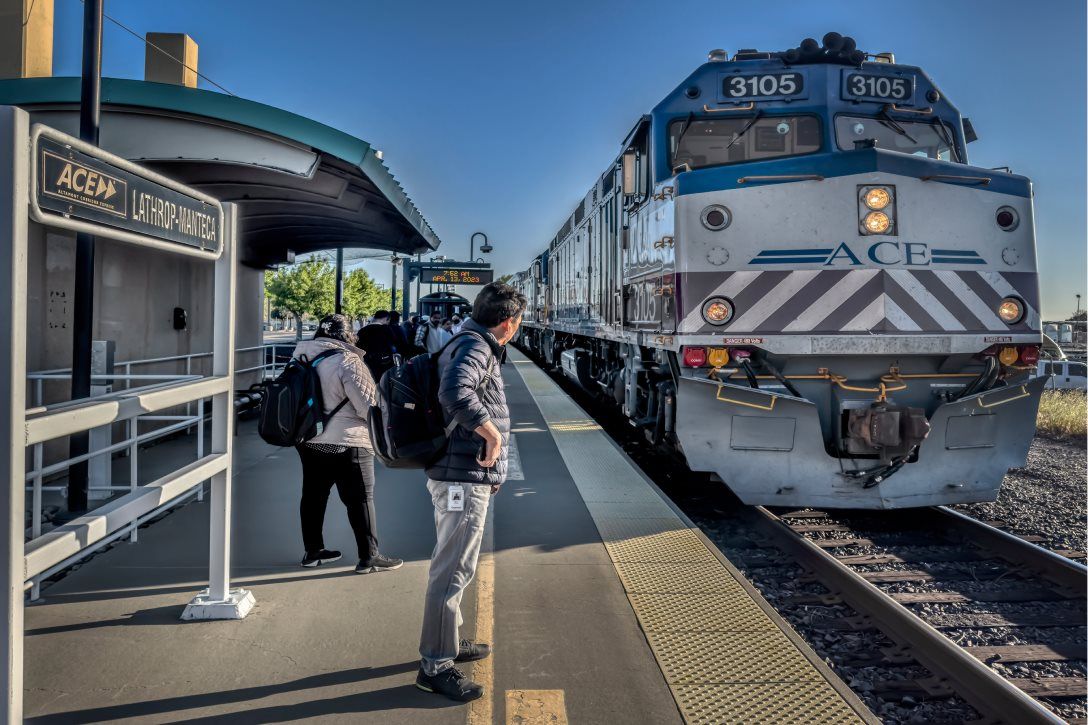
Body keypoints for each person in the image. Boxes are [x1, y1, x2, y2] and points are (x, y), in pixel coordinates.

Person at [415, 283, 526, 702]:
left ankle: (450, 639)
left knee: (454, 564)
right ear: (507, 322)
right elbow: (455, 393)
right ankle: (435, 665)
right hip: (460, 477)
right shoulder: (476, 347)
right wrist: (493, 437)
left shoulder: (471, 341)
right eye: (518, 322)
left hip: (459, 472)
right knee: (452, 569)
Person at [291, 314, 403, 574]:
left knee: (313, 496)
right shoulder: (348, 361)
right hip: (347, 442)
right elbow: (368, 407)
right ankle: (369, 556)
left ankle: (313, 551)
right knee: (361, 499)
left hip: (309, 440)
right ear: (347, 335)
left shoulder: (301, 357)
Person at [356, 310, 397, 380]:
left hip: (367, 363)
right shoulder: (386, 330)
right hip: (384, 364)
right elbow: (394, 344)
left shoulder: (362, 331)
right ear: (386, 318)